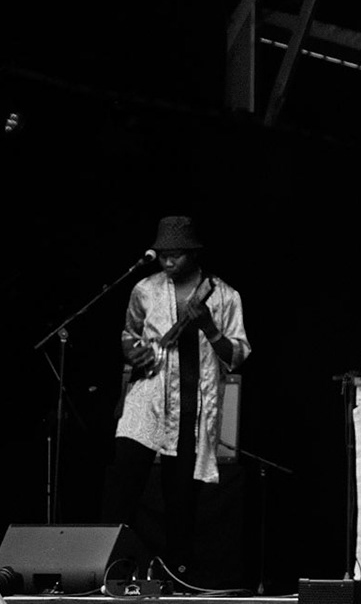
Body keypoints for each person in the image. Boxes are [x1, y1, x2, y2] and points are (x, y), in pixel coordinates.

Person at [102, 216, 251, 586]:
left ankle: (176, 580)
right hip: (146, 402)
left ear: (193, 254)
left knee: (181, 502)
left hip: (193, 410)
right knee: (122, 486)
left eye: (176, 256)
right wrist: (133, 352)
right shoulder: (144, 290)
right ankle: (112, 572)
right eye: (163, 255)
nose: (168, 262)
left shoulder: (224, 296)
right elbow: (128, 333)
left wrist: (210, 327)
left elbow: (237, 355)